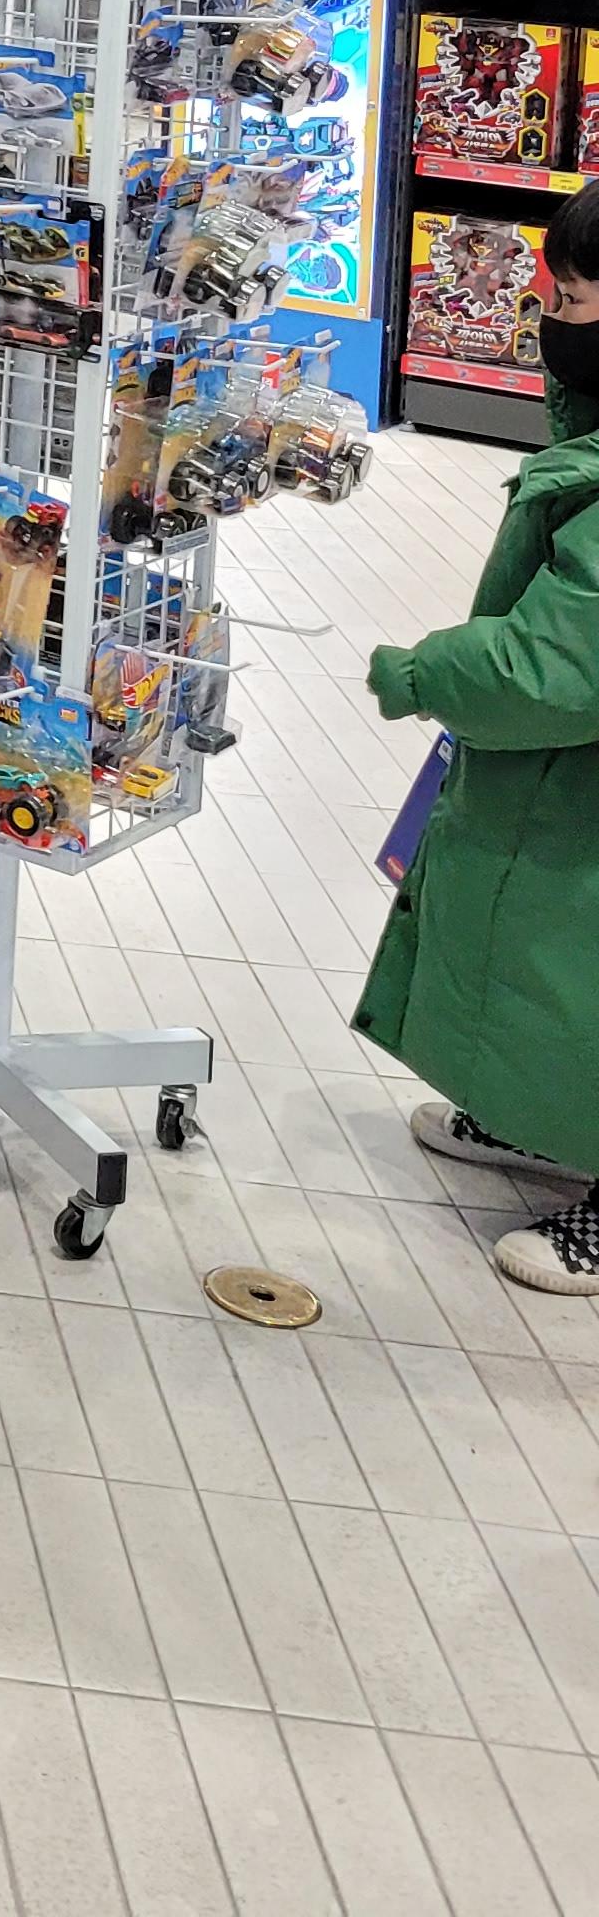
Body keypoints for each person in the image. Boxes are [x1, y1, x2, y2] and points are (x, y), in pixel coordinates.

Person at [356, 188, 599, 1294]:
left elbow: (556, 667)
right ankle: (540, 1114)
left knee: (580, 966)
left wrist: (422, 675)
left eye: (576, 301)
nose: (554, 320)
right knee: (543, 949)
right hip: (566, 785)